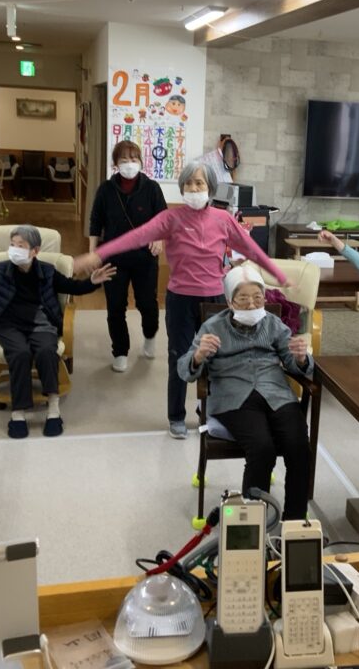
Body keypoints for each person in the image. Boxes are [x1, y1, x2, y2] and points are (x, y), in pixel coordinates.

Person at [75, 163, 287, 440]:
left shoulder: (223, 219)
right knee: (180, 356)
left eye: (199, 183)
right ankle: (176, 416)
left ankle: (211, 411)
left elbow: (251, 249)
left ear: (210, 188)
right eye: (189, 184)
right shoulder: (170, 218)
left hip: (214, 300)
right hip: (180, 300)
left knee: (217, 358)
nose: (194, 188)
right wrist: (98, 254)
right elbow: (136, 237)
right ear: (182, 188)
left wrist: (278, 274)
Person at [0, 225, 115, 439]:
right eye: (12, 244)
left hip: (41, 323)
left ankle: (53, 409)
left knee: (47, 351)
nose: (14, 249)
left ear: (35, 251)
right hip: (9, 324)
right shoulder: (1, 270)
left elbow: (71, 287)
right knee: (20, 354)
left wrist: (92, 283)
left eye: (21, 245)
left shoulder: (47, 271)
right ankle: (18, 413)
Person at [179, 267, 312, 520]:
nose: (252, 304)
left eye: (258, 298)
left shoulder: (273, 323)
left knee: (298, 446)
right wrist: (198, 355)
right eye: (243, 298)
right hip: (233, 396)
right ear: (230, 301)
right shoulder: (213, 327)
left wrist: (301, 359)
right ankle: (252, 523)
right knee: (262, 448)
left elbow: (293, 362)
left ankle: (294, 520)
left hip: (275, 392)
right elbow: (184, 370)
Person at [89, 140, 168, 373]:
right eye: (124, 159)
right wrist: (93, 252)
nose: (129, 164)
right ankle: (120, 351)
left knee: (147, 303)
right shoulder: (106, 189)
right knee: (115, 306)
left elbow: (163, 220)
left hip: (145, 258)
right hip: (114, 258)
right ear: (115, 164)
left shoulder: (152, 188)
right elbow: (95, 222)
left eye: (134, 159)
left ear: (141, 162)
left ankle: (150, 335)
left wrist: (159, 239)